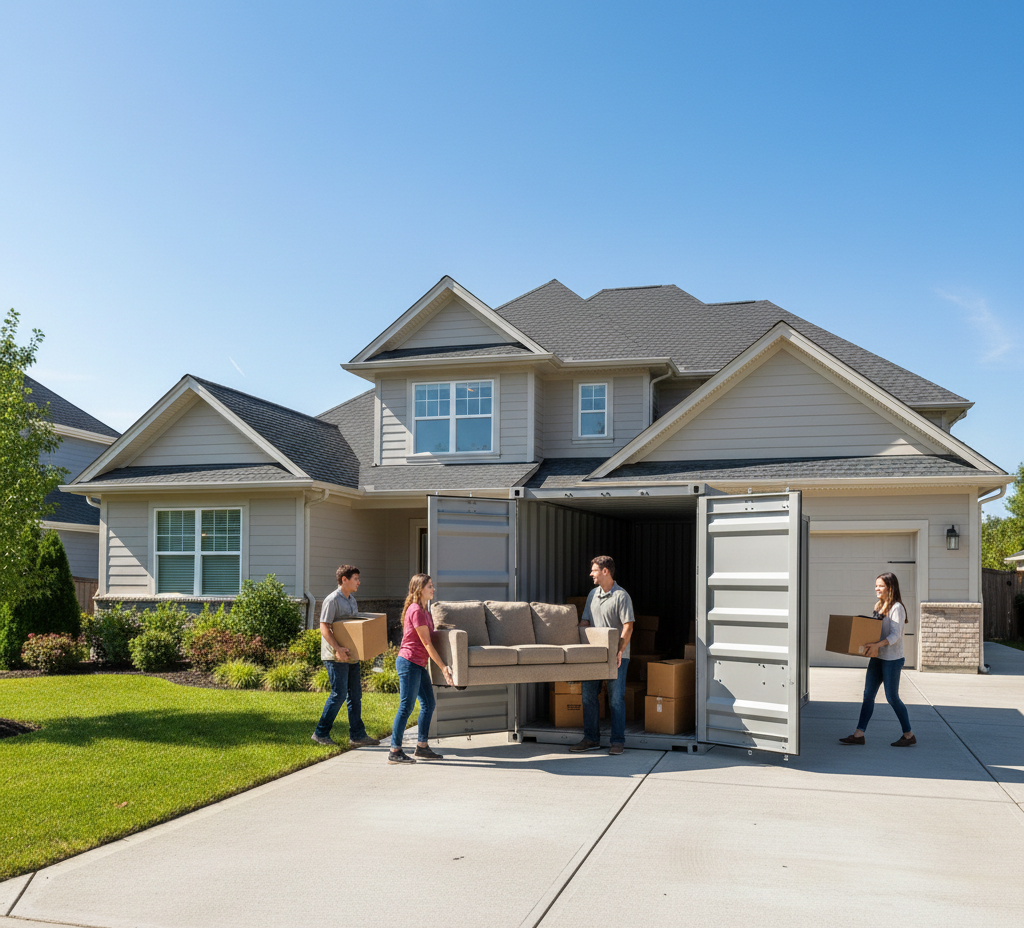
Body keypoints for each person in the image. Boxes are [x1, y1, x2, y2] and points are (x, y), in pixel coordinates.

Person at [840, 572, 917, 747]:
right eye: (876, 585)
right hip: (877, 657)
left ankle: (908, 735)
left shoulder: (897, 607)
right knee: (868, 695)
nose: (877, 588)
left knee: (892, 697)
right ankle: (859, 734)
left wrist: (876, 645)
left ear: (890, 587)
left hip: (892, 659)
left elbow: (895, 635)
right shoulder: (879, 605)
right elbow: (873, 630)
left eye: (880, 586)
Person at [570, 555, 634, 756]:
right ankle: (591, 739)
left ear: (605, 571)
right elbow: (585, 623)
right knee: (588, 695)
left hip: (617, 656)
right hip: (593, 655)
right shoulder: (592, 595)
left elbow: (628, 627)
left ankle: (617, 742)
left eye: (594, 570)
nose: (591, 574)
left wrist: (619, 651)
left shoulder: (621, 596)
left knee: (615, 699)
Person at [388, 573, 454, 765]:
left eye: (432, 586)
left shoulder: (425, 611)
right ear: (419, 589)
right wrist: (443, 667)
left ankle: (422, 747)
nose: (433, 589)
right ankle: (394, 751)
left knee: (428, 703)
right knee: (406, 706)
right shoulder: (416, 610)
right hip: (408, 662)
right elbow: (426, 642)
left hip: (418, 664)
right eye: (430, 586)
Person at [312, 565, 379, 748]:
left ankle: (357, 735)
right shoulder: (332, 600)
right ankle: (320, 733)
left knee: (355, 695)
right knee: (338, 694)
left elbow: (353, 627)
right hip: (335, 656)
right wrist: (338, 649)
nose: (359, 582)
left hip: (351, 655)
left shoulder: (352, 600)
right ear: (344, 579)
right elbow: (324, 626)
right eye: (356, 578)